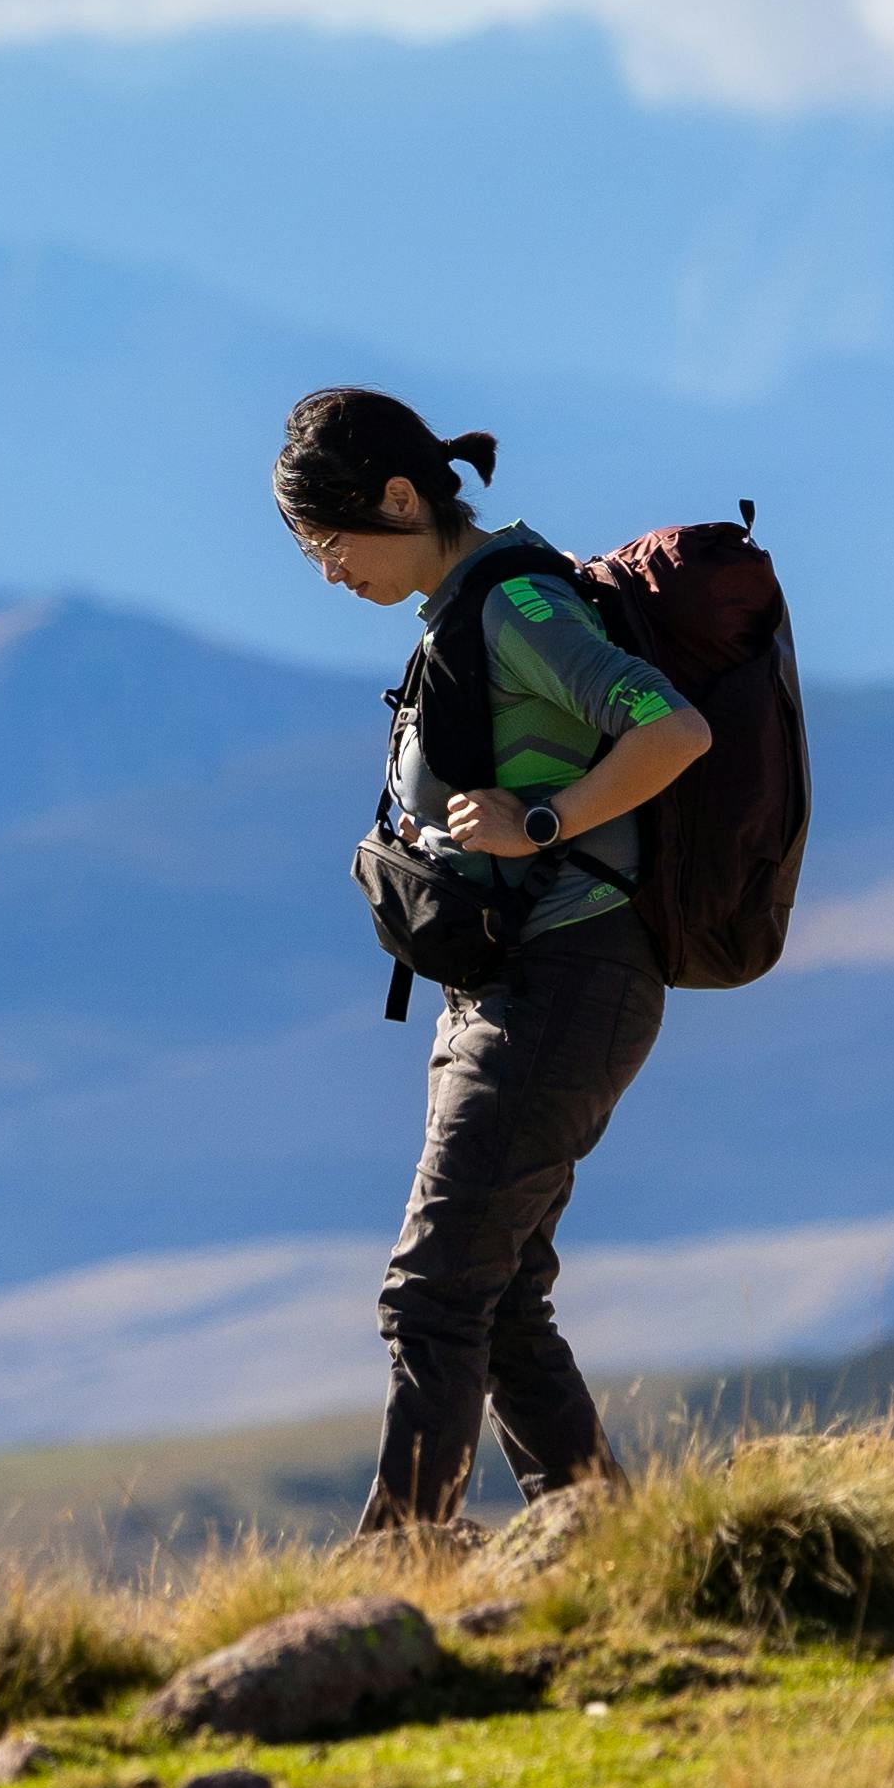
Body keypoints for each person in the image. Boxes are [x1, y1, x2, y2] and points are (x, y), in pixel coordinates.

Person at [276, 389, 713, 1540]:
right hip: (512, 988)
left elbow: (672, 728)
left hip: (569, 977)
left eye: (331, 542)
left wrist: (545, 821)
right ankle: (604, 1548)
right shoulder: (460, 609)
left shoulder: (517, 603)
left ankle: (400, 1569)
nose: (327, 573)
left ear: (402, 497)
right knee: (503, 1296)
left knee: (432, 1293)